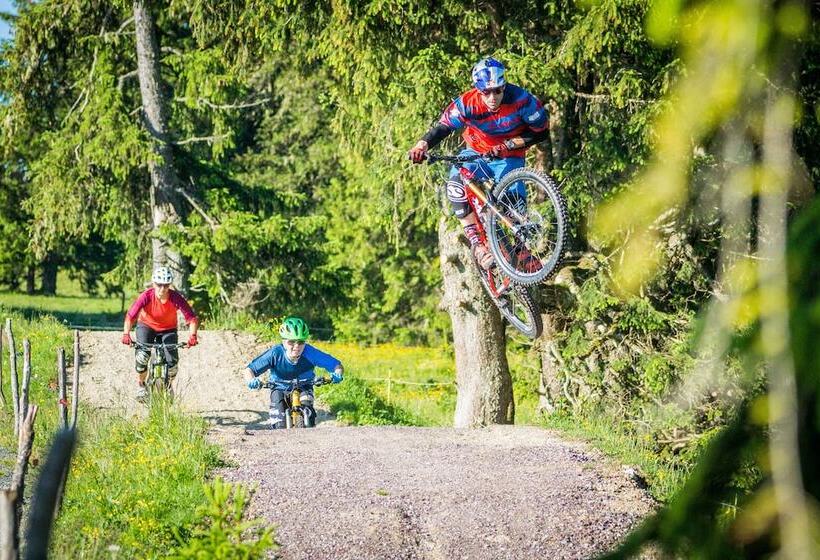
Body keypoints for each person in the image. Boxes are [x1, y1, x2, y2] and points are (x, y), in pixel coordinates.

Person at [408, 56, 549, 270]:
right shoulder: (467, 103)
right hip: (476, 153)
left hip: (509, 156)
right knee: (455, 181)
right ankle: (477, 244)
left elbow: (541, 133)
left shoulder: (522, 100)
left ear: (504, 86)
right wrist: (422, 145)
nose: (492, 97)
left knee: (513, 203)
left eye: (498, 91)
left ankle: (522, 250)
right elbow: (444, 127)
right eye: (486, 92)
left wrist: (509, 144)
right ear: (478, 90)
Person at [245, 316, 344, 428]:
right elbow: (250, 370)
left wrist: (338, 373)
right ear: (283, 341)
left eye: (301, 342)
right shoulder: (275, 353)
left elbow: (336, 365)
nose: (296, 346)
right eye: (291, 342)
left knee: (308, 414)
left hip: (304, 386)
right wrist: (251, 380)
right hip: (279, 388)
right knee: (279, 425)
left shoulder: (310, 352)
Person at [121, 266, 199, 401]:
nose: (162, 289)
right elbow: (130, 316)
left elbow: (191, 318)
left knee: (172, 362)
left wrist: (192, 336)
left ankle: (168, 385)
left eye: (166, 285)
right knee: (142, 356)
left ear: (169, 285)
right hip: (146, 326)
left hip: (168, 330)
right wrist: (126, 334)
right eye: (159, 285)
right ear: (153, 283)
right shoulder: (146, 296)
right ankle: (141, 384)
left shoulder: (175, 297)